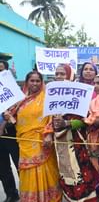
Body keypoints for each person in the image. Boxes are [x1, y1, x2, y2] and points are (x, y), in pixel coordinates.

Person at [5, 71, 62, 201]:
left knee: (46, 172)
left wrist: (48, 134)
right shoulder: (20, 101)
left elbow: (53, 118)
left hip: (43, 142)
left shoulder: (47, 98)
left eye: (38, 81)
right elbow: (17, 123)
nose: (35, 83)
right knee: (28, 173)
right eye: (32, 81)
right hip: (25, 144)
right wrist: (9, 118)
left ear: (42, 83)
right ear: (27, 82)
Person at [51, 64, 99, 202]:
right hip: (60, 142)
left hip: (78, 141)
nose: (59, 77)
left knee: (82, 173)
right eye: (57, 74)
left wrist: (67, 124)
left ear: (70, 76)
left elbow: (87, 119)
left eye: (63, 74)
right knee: (66, 172)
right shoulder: (52, 94)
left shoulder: (78, 92)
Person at [0, 60, 20, 202]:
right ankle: (11, 194)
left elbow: (19, 112)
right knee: (2, 167)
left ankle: (27, 192)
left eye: (1, 70)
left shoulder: (14, 91)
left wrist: (5, 124)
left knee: (20, 164)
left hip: (11, 133)